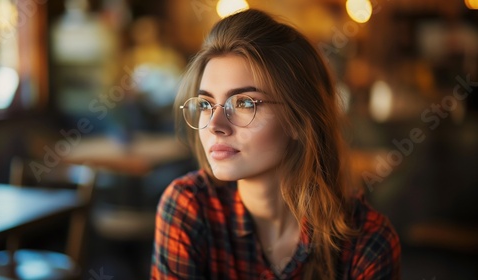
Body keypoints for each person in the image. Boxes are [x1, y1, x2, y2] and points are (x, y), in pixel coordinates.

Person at [151, 9, 401, 279]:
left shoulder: (366, 242)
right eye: (205, 104)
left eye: (244, 103)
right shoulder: (189, 207)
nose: (214, 125)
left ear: (298, 119)